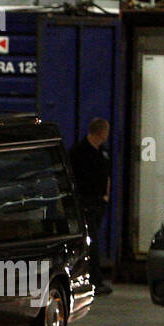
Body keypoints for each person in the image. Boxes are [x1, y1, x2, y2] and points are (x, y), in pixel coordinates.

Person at [69, 117, 113, 296]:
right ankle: (94, 279)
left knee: (93, 241)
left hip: (98, 204)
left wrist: (106, 196)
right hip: (85, 204)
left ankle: (92, 277)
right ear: (101, 132)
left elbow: (107, 174)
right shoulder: (78, 152)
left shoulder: (102, 152)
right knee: (90, 243)